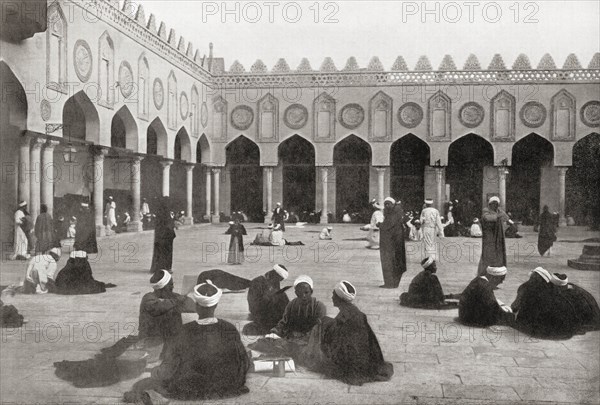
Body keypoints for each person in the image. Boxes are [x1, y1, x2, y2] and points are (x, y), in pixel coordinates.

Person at [124, 281, 250, 402]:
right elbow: (243, 361)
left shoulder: (183, 331)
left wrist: (155, 371)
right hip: (226, 385)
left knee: (145, 383)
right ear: (216, 305)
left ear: (197, 305)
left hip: (193, 387)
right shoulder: (229, 328)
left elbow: (169, 368)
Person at [309, 281, 394, 385]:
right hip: (363, 358)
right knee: (325, 321)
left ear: (339, 298)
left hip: (351, 363)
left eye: (333, 295)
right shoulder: (355, 311)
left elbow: (336, 345)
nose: (331, 297)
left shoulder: (343, 317)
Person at [511, 268, 579, 339]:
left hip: (527, 323)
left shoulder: (524, 287)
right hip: (547, 324)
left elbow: (515, 307)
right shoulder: (550, 288)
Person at [246, 264, 291, 333]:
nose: (279, 281)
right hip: (260, 311)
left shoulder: (274, 281)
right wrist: (270, 297)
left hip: (271, 308)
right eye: (279, 279)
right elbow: (253, 305)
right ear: (274, 274)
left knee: (282, 295)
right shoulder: (257, 282)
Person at [477, 196, 512, 277]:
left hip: (498, 238)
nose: (495, 205)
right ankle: (484, 275)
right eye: (493, 203)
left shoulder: (499, 211)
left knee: (498, 255)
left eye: (496, 204)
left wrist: (502, 215)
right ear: (490, 204)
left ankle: (497, 276)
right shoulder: (486, 211)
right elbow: (488, 218)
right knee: (488, 255)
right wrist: (499, 215)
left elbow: (506, 218)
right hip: (489, 238)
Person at [377, 198, 407, 289]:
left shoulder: (394, 213)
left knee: (391, 262)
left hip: (392, 244)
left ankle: (391, 283)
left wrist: (380, 225)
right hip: (392, 242)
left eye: (388, 204)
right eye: (385, 204)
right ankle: (391, 283)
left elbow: (389, 224)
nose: (386, 206)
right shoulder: (392, 212)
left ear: (393, 204)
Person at [150, 197, 176, 273]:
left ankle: (158, 267)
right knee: (166, 252)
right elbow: (168, 225)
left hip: (161, 236)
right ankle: (165, 267)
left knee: (159, 252)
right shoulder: (165, 213)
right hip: (166, 236)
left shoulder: (160, 213)